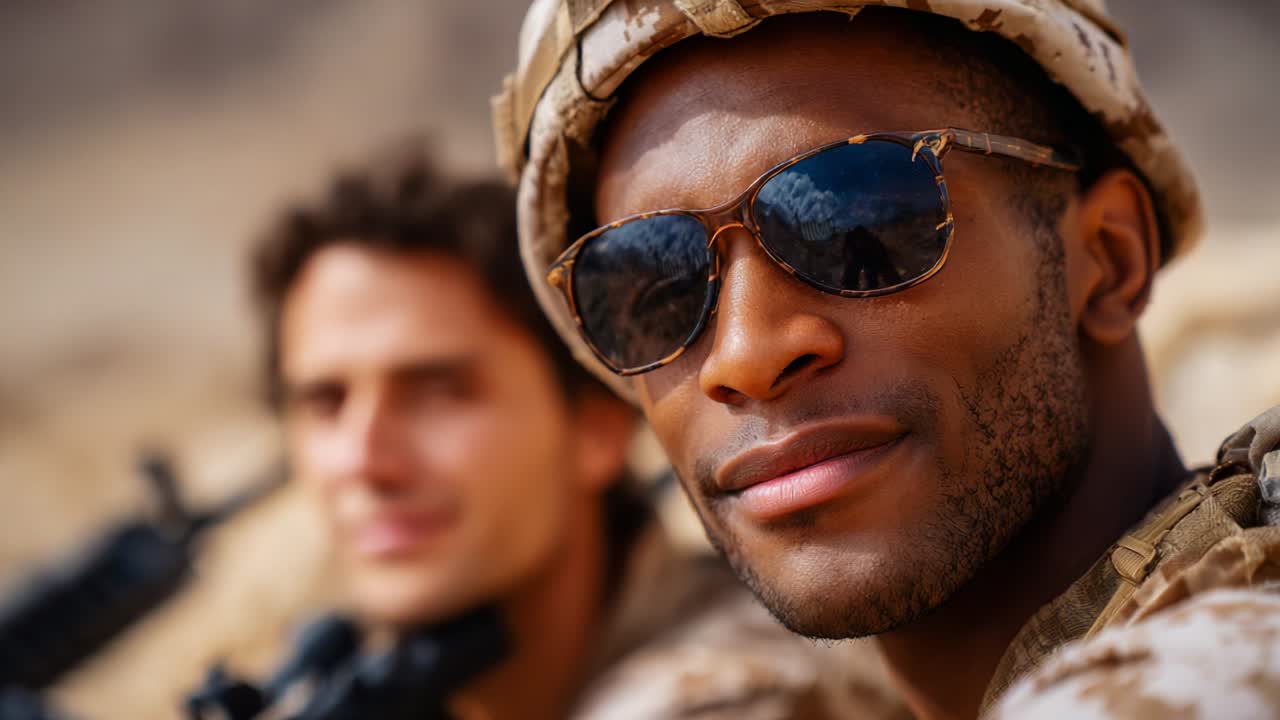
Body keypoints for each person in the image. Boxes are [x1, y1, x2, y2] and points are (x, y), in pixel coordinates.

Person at [493, 2, 1280, 718]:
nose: (744, 355)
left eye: (856, 226)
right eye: (652, 289)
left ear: (1109, 258)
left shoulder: (1221, 665)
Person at [249, 150, 905, 719]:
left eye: (437, 394)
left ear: (597, 427)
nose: (366, 461)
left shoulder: (738, 689)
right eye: (325, 403)